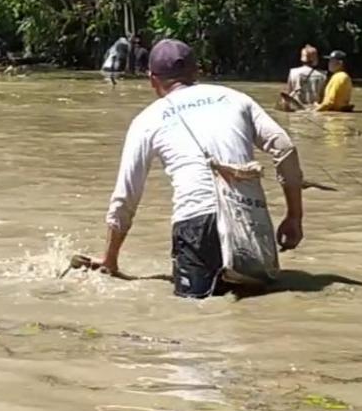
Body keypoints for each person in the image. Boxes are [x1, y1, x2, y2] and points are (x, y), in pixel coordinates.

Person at [97, 39, 305, 298]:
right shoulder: (235, 98)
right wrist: (294, 216)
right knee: (258, 300)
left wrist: (110, 260)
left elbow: (126, 196)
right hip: (250, 217)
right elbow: (285, 147)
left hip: (197, 223)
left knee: (195, 310)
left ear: (152, 80)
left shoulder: (147, 120)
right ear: (196, 72)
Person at [280, 45, 327, 110]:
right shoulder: (323, 75)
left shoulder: (293, 72)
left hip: (297, 109)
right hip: (315, 109)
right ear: (315, 59)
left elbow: (288, 93)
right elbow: (325, 97)